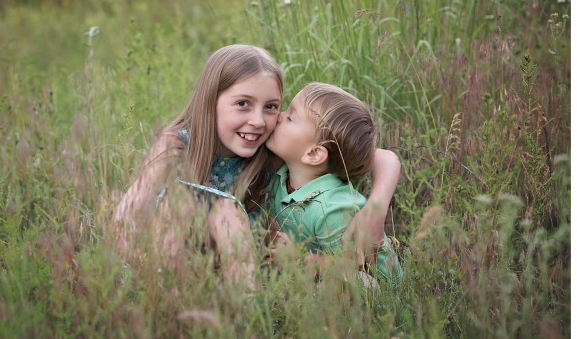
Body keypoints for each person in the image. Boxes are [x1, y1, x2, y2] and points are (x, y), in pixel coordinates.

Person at [113, 44, 400, 282]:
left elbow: (381, 156)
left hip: (235, 274)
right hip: (172, 265)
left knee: (226, 213)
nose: (259, 121)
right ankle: (165, 300)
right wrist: (132, 262)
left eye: (271, 107)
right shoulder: (176, 147)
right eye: (243, 104)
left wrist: (375, 210)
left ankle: (244, 317)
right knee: (182, 205)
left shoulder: (267, 148)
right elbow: (129, 214)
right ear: (210, 101)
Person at [264, 82, 403, 281]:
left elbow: (354, 265)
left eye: (290, 117)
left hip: (378, 290)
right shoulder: (283, 175)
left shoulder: (332, 209)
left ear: (313, 154)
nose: (278, 116)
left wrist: (300, 259)